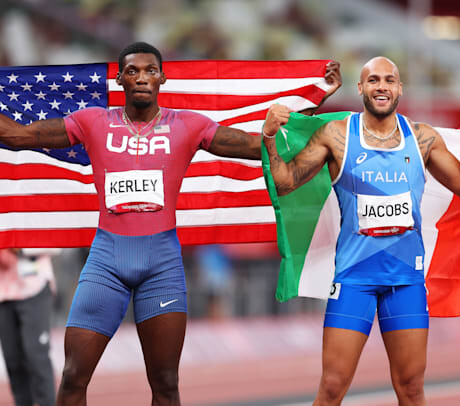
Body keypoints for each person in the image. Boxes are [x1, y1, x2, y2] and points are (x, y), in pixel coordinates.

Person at [0, 41, 341, 405]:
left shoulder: (187, 125)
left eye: (150, 71)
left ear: (162, 78)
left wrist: (306, 107)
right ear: (120, 80)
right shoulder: (93, 121)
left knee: (165, 383)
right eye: (133, 71)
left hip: (160, 266)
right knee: (72, 377)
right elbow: (19, 136)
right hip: (106, 264)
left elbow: (252, 146)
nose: (141, 78)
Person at [262, 56, 460, 405]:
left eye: (389, 80)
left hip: (405, 281)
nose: (382, 86)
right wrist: (269, 136)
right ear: (360, 87)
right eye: (373, 80)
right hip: (354, 280)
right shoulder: (337, 135)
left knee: (411, 388)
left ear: (399, 89)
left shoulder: (422, 138)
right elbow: (285, 183)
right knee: (332, 386)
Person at [0, 248, 60, 406]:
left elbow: (56, 245)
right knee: (13, 361)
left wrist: (19, 248)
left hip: (34, 287)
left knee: (36, 357)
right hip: (3, 294)